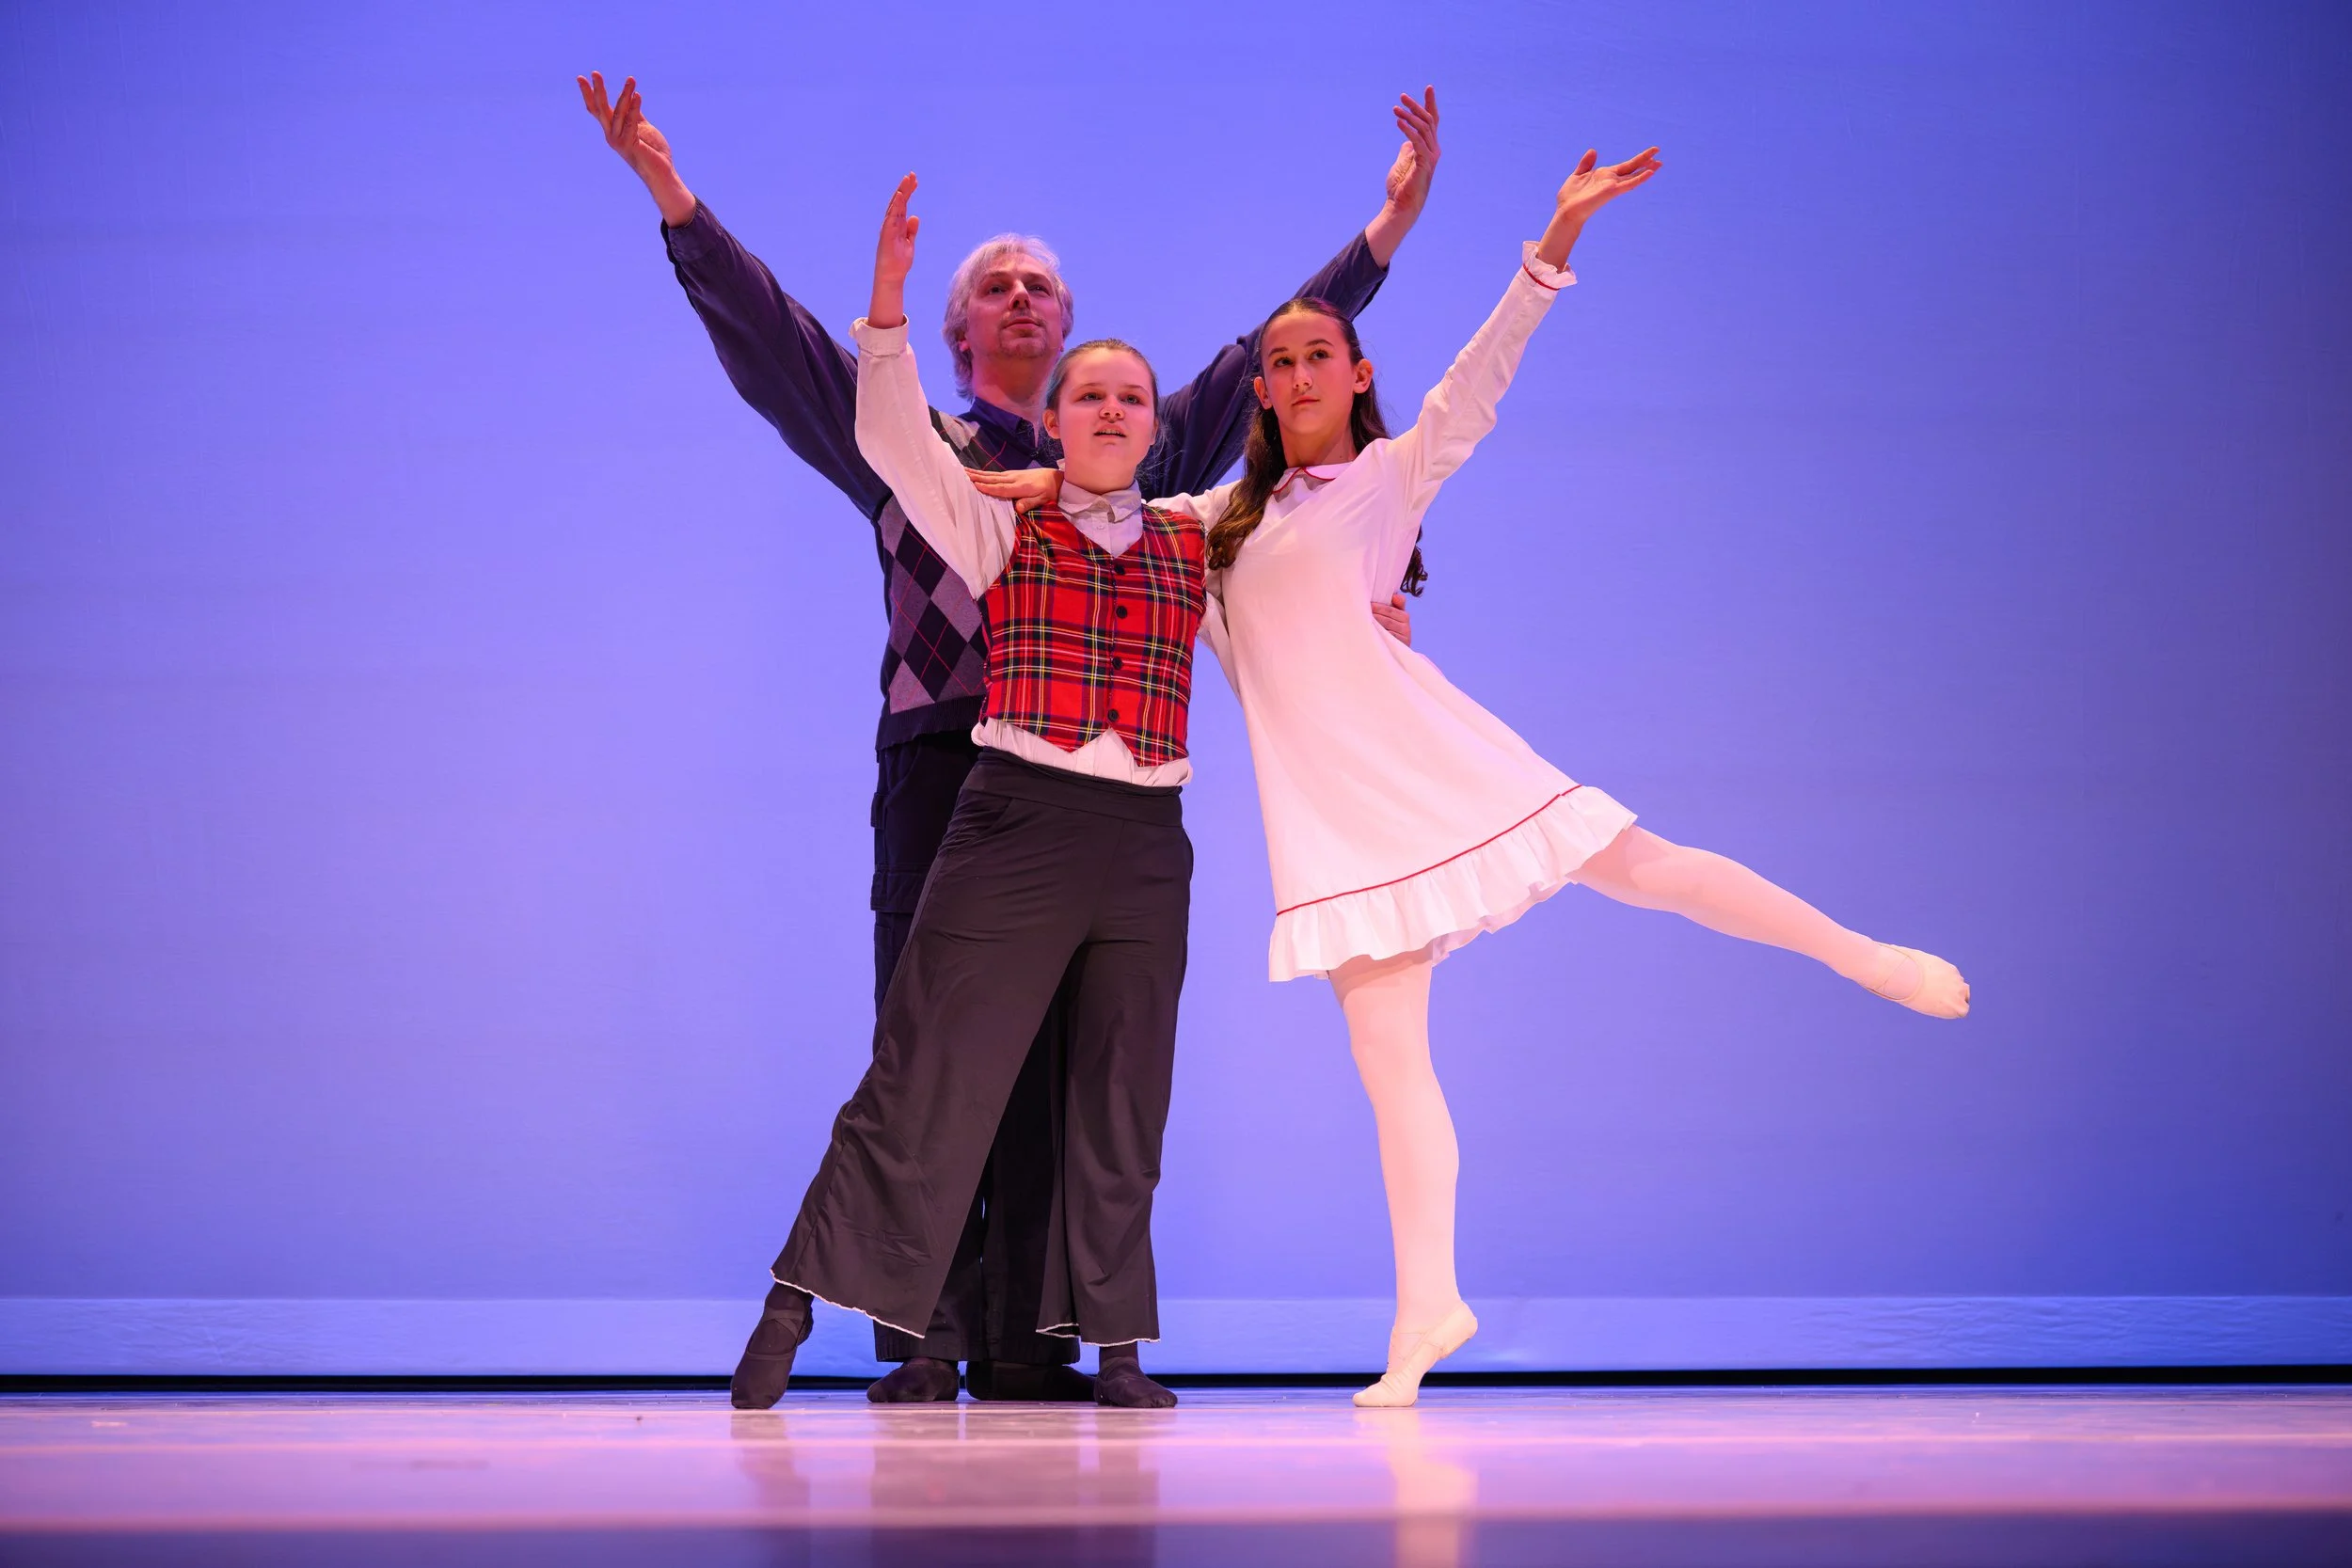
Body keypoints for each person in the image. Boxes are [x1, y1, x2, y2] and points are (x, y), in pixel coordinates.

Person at [976, 141, 1970, 1409]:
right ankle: (1426, 1307)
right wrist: (994, 478)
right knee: (1391, 1066)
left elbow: (1481, 381)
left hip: (1429, 757)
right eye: (1276, 365)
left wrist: (1553, 240)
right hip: (1335, 816)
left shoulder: (1390, 479)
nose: (1291, 378)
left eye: (1315, 358)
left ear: (1357, 373)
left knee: (1642, 864)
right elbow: (1082, 494)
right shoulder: (1214, 525)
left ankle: (1859, 952)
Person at [577, 71, 1436, 1403]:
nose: (1024, 294)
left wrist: (1379, 241)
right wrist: (677, 201)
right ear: (959, 327)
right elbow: (789, 344)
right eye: (997, 284)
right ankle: (925, 1333)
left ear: (1105, 362)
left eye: (1045, 284)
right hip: (948, 761)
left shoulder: (1143, 470)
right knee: (940, 1045)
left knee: (1080, 1055)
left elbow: (1263, 375)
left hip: (1105, 786)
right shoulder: (918, 447)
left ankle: (1033, 1339)